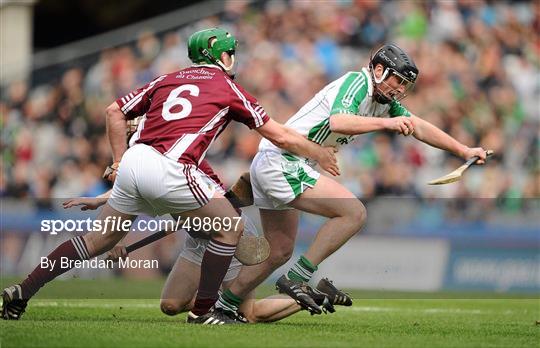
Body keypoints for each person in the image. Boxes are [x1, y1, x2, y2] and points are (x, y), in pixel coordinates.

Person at [1, 28, 339, 325]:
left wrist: (118, 166)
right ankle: (205, 312)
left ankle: (22, 290)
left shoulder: (167, 79)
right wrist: (317, 151)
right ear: (223, 56)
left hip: (136, 162)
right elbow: (278, 135)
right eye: (231, 54)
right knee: (231, 227)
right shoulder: (227, 87)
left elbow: (113, 112)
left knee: (94, 242)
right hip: (172, 169)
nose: (233, 59)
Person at [212, 44, 488, 315]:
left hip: (281, 163)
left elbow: (418, 126)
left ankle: (225, 305)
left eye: (406, 85)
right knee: (353, 213)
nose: (400, 90)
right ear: (378, 70)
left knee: (279, 251)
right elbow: (338, 122)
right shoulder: (359, 82)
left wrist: (463, 150)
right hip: (284, 161)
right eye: (397, 80)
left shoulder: (382, 102)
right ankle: (296, 280)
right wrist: (387, 124)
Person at [62, 168, 351, 324]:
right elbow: (136, 198)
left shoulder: (184, 169)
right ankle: (217, 304)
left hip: (232, 236)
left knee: (249, 314)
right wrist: (119, 233)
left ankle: (318, 293)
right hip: (199, 241)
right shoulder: (155, 169)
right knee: (170, 305)